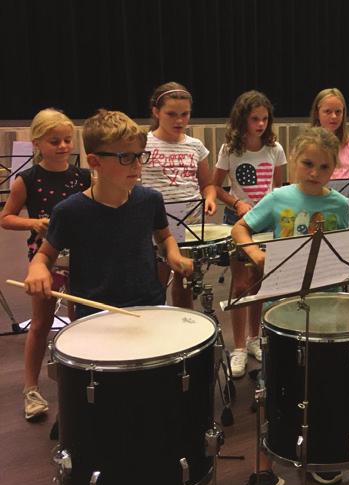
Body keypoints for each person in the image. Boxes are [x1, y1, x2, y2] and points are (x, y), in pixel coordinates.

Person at [232, 127, 349, 485]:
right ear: (296, 161)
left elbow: (341, 251)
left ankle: (322, 450)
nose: (314, 172)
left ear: (333, 169)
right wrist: (254, 253)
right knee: (278, 381)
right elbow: (240, 228)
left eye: (323, 167)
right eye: (308, 164)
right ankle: (267, 460)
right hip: (282, 306)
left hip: (325, 304)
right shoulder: (279, 197)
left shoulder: (339, 205)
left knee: (323, 381)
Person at [23, 109, 192, 320]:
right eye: (126, 158)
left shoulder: (150, 200)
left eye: (140, 156)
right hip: (95, 312)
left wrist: (173, 255)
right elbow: (46, 255)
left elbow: (164, 237)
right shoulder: (69, 211)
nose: (137, 165)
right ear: (94, 162)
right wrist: (37, 268)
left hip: (149, 304)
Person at [1, 108, 91, 421]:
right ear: (38, 142)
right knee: (41, 324)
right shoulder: (27, 180)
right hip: (45, 258)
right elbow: (6, 218)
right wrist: (33, 222)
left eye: (68, 139)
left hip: (80, 257)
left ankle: (76, 379)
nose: (64, 146)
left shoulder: (82, 176)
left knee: (77, 320)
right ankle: (30, 388)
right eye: (55, 141)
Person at [207, 90, 287, 378]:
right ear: (242, 120)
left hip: (266, 221)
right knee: (240, 284)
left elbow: (278, 188)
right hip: (238, 221)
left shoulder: (275, 149)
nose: (261, 124)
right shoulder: (230, 150)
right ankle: (238, 346)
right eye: (255, 119)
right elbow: (216, 187)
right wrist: (237, 202)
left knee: (259, 282)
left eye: (265, 119)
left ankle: (254, 338)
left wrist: (271, 207)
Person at [143, 81, 215, 309]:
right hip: (155, 226)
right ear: (156, 111)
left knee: (185, 285)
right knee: (155, 284)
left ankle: (185, 332)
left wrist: (210, 199)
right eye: (171, 114)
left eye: (185, 114)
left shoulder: (195, 145)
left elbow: (207, 185)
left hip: (189, 224)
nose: (180, 121)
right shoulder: (143, 143)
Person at [310, 88, 349, 179]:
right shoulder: (308, 144)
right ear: (317, 114)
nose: (334, 116)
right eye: (327, 111)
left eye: (338, 112)